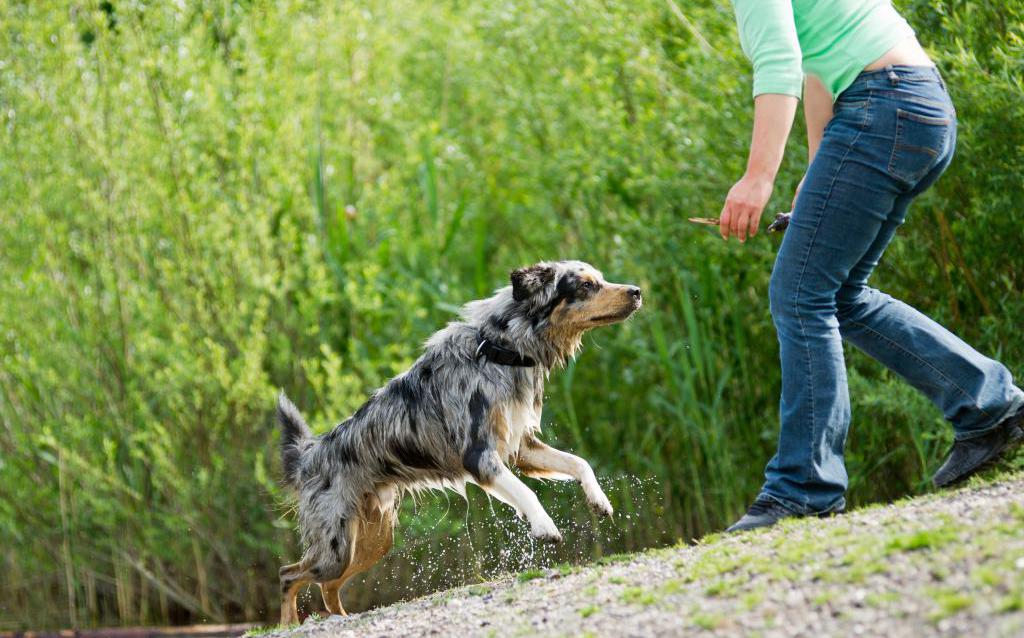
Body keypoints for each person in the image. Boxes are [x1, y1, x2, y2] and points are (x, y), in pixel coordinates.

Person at [721, 0, 1024, 532]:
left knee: (799, 295)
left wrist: (758, 178)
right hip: (918, 104)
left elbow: (782, 63)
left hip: (882, 107)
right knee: (839, 295)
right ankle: (988, 406)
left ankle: (804, 488)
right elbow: (819, 69)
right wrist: (817, 175)